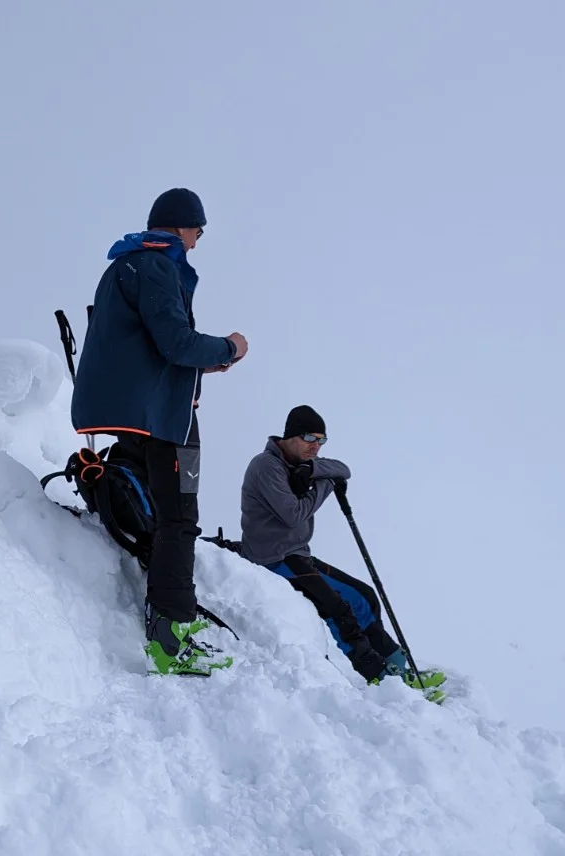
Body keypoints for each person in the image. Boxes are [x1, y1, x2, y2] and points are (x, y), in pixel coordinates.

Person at [70, 187, 248, 676]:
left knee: (165, 513)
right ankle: (171, 635)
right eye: (198, 231)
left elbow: (145, 347)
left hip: (133, 412)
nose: (197, 242)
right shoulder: (157, 266)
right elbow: (174, 342)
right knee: (178, 519)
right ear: (181, 225)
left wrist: (201, 366)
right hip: (161, 420)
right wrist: (228, 348)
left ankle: (168, 617)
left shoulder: (126, 266)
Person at [237, 404, 447, 701]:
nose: (316, 447)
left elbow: (342, 469)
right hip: (272, 557)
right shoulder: (266, 466)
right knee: (337, 608)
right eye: (310, 438)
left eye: (321, 440)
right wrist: (323, 485)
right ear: (291, 436)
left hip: (296, 553)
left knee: (363, 596)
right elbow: (294, 515)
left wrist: (313, 471)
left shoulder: (299, 463)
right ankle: (378, 676)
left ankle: (399, 666)